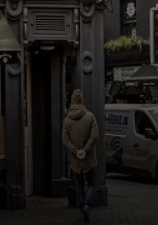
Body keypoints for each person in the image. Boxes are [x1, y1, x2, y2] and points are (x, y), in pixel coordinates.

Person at [61, 89, 99, 223]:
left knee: (79, 185)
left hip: (76, 160)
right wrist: (85, 149)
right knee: (92, 183)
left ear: (72, 102)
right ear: (82, 101)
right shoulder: (90, 116)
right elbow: (95, 136)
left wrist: (75, 151)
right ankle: (88, 204)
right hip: (89, 158)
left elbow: (65, 140)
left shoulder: (67, 120)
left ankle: (82, 207)